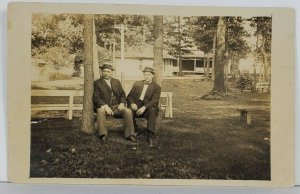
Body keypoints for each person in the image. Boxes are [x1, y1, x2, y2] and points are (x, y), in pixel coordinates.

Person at [93, 63, 137, 144]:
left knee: (128, 111)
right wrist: (105, 106)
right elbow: (96, 98)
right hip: (104, 107)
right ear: (102, 72)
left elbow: (122, 94)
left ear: (111, 72)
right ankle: (103, 135)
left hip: (117, 107)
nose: (106, 73)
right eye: (104, 71)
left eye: (108, 71)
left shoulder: (116, 81)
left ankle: (129, 134)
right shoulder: (97, 83)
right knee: (100, 111)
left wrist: (122, 103)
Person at [127, 67, 161, 147]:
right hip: (137, 104)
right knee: (129, 111)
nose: (147, 76)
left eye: (149, 74)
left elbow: (154, 100)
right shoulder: (137, 83)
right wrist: (132, 103)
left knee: (152, 110)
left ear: (152, 76)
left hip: (149, 105)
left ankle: (150, 134)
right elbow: (130, 96)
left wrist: (144, 107)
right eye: (145, 74)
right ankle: (133, 131)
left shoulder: (156, 87)